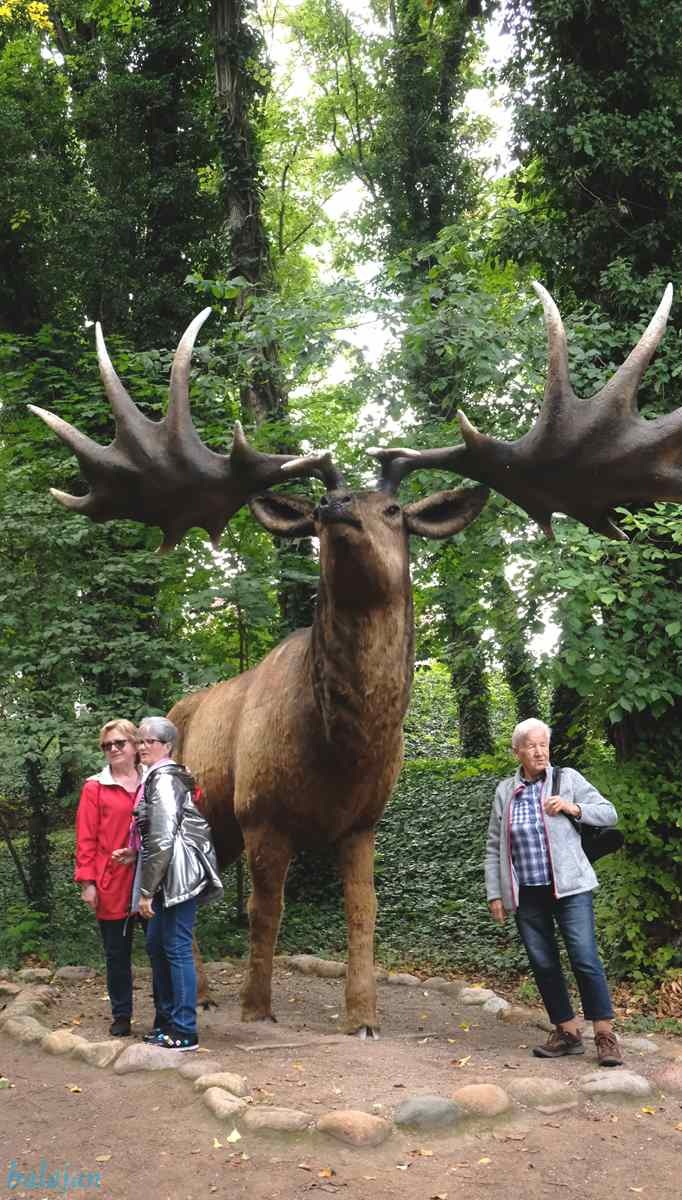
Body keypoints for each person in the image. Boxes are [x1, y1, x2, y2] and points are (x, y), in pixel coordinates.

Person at [484, 718, 622, 1067]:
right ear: (517, 752)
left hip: (571, 887)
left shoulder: (567, 779)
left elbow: (609, 814)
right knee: (543, 962)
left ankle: (604, 1035)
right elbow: (495, 845)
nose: (539, 751)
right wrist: (495, 893)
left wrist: (573, 808)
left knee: (584, 957)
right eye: (531, 745)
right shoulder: (505, 791)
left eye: (543, 744)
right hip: (528, 892)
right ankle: (568, 1032)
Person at [131, 715, 222, 1051]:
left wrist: (145, 892)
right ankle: (167, 1022)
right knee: (157, 944)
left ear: (167, 746)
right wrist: (132, 854)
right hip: (166, 874)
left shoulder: (165, 779)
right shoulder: (155, 777)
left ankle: (184, 1030)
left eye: (150, 741)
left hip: (177, 877)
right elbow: (153, 835)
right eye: (140, 740)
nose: (142, 746)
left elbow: (163, 837)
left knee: (177, 947)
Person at [74, 719, 142, 1037]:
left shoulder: (154, 780)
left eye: (119, 743)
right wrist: (87, 883)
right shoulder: (95, 787)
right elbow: (85, 838)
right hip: (111, 883)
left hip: (150, 880)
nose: (113, 749)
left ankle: (168, 1015)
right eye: (107, 745)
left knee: (161, 950)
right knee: (117, 955)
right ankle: (122, 1015)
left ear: (135, 745)